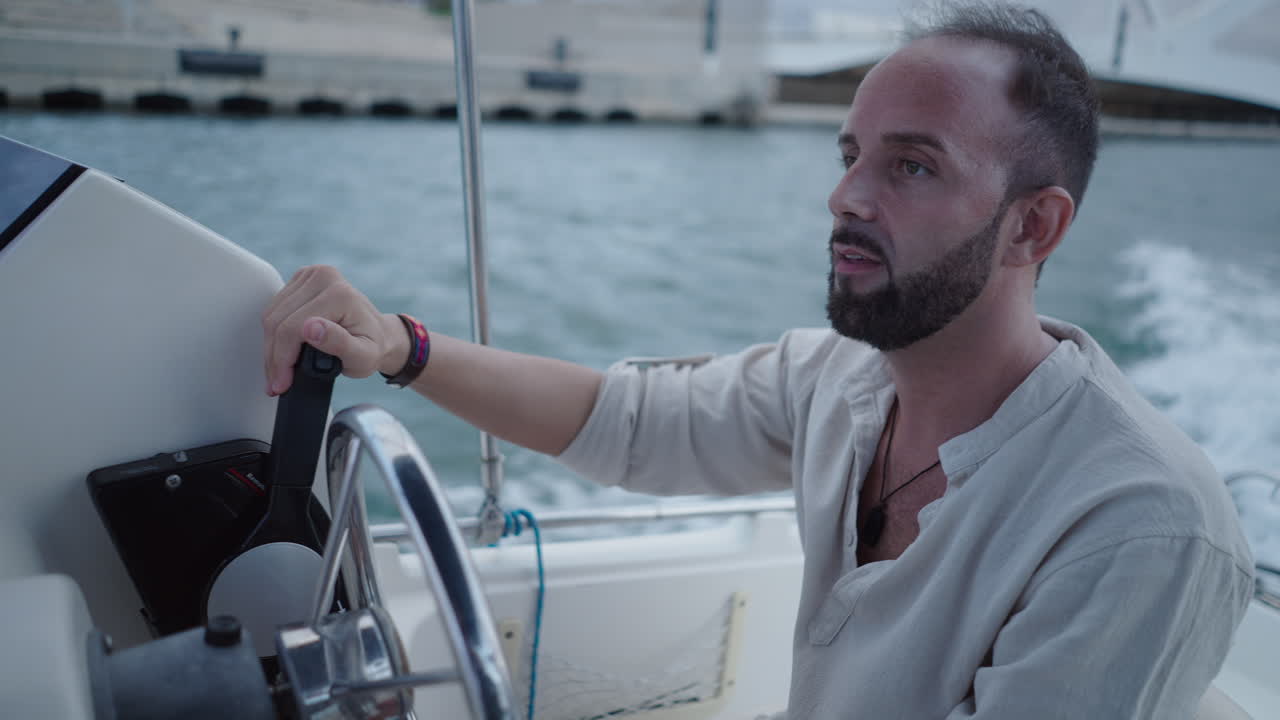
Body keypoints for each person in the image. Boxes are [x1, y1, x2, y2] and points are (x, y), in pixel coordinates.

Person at [262, 3, 1254, 717]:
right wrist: (400, 348)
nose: (845, 198)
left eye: (910, 165)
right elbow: (627, 422)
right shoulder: (839, 379)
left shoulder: (1137, 527)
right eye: (847, 155)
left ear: (1030, 226)